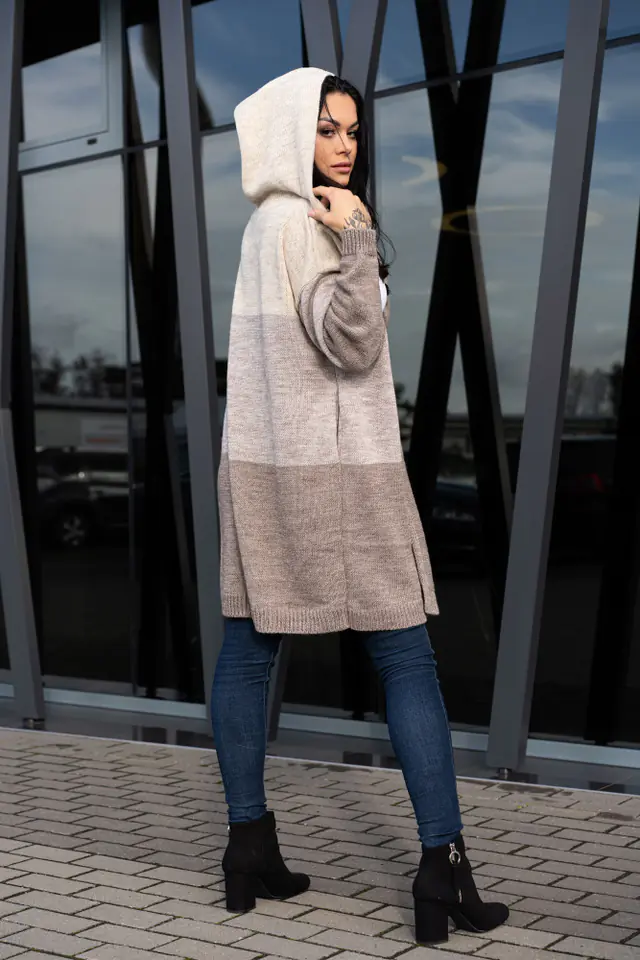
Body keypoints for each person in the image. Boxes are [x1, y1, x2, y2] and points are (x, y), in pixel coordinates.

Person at [211, 67, 508, 947]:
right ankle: (442, 866)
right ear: (291, 133)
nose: (344, 146)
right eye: (326, 128)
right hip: (340, 476)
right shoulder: (314, 221)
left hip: (265, 470)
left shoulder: (262, 226)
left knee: (246, 653)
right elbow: (349, 341)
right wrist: (360, 239)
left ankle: (249, 844)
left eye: (351, 130)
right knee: (408, 662)